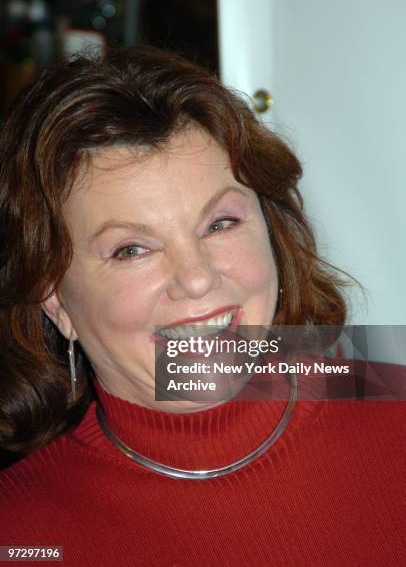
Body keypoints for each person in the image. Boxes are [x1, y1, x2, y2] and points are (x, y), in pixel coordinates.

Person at [0, 46, 404, 565]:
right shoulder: (20, 535)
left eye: (220, 224)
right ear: (54, 297)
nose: (196, 278)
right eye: (132, 249)